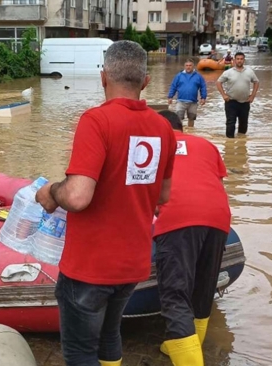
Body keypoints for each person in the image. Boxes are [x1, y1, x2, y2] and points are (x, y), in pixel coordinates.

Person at [35, 40, 176, 366]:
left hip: (91, 266)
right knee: (110, 336)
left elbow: (78, 196)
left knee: (81, 352)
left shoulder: (96, 121)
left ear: (103, 77)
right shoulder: (162, 128)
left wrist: (52, 192)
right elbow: (163, 196)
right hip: (132, 265)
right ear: (145, 81)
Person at [153, 110, 232, 366]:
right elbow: (215, 182)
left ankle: (186, 353)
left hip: (177, 217)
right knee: (203, 288)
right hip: (218, 218)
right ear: (181, 129)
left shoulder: (153, 147)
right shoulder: (206, 145)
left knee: (175, 295)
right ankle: (187, 345)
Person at [216, 52, 259, 138]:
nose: (239, 61)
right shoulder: (228, 72)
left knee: (243, 124)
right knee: (230, 123)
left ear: (244, 60)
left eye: (241, 59)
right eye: (238, 59)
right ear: (234, 60)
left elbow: (256, 82)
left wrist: (252, 96)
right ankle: (229, 145)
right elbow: (218, 82)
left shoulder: (249, 72)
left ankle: (241, 145)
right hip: (231, 102)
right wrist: (224, 95)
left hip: (245, 102)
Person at [167, 59, 207, 128]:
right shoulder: (179, 76)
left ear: (193, 66)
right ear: (184, 66)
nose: (188, 67)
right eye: (187, 65)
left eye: (190, 65)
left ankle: (190, 132)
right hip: (180, 101)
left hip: (193, 102)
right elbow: (173, 86)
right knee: (179, 119)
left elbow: (203, 87)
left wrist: (203, 98)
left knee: (191, 119)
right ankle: (180, 134)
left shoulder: (198, 76)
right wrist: (170, 97)